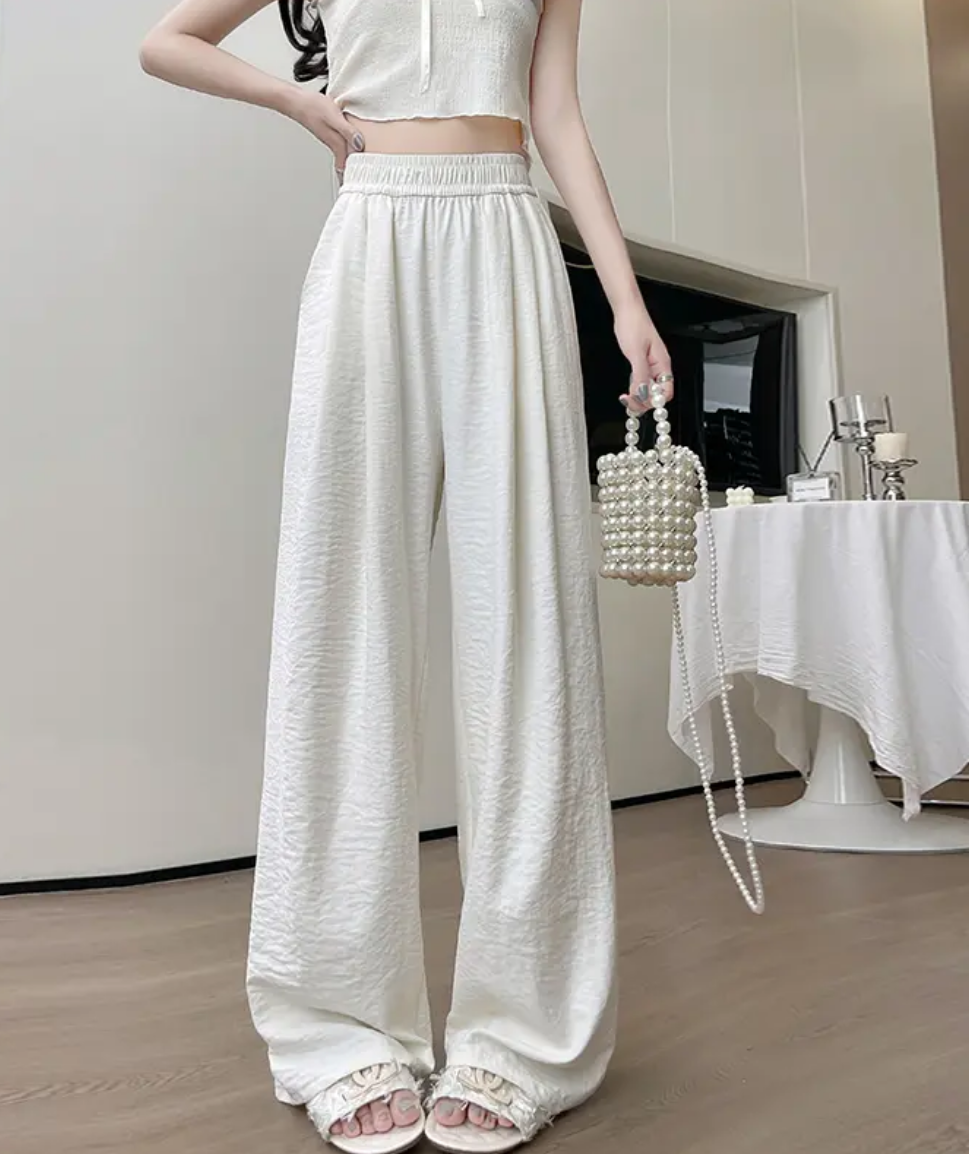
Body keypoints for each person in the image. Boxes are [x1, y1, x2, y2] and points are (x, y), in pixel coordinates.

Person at [139, 2, 673, 1150]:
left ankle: (524, 1032)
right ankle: (338, 1023)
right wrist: (297, 103)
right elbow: (167, 41)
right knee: (342, 622)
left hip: (507, 233)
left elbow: (557, 113)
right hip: (373, 230)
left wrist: (626, 300)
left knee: (529, 629)